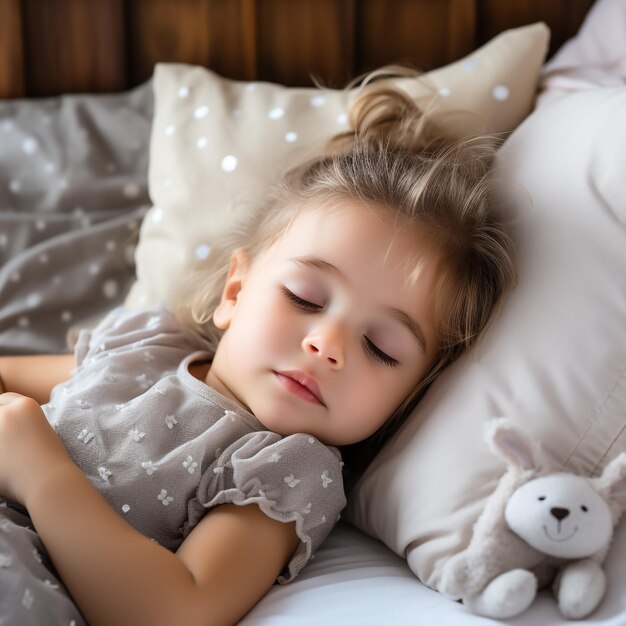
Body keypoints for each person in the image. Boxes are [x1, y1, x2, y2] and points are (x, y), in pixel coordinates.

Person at [0, 71, 516, 626]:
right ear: (236, 292)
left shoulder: (284, 469)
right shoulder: (145, 343)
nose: (326, 344)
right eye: (304, 297)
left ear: (410, 394)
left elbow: (176, 612)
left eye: (381, 347)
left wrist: (41, 474)